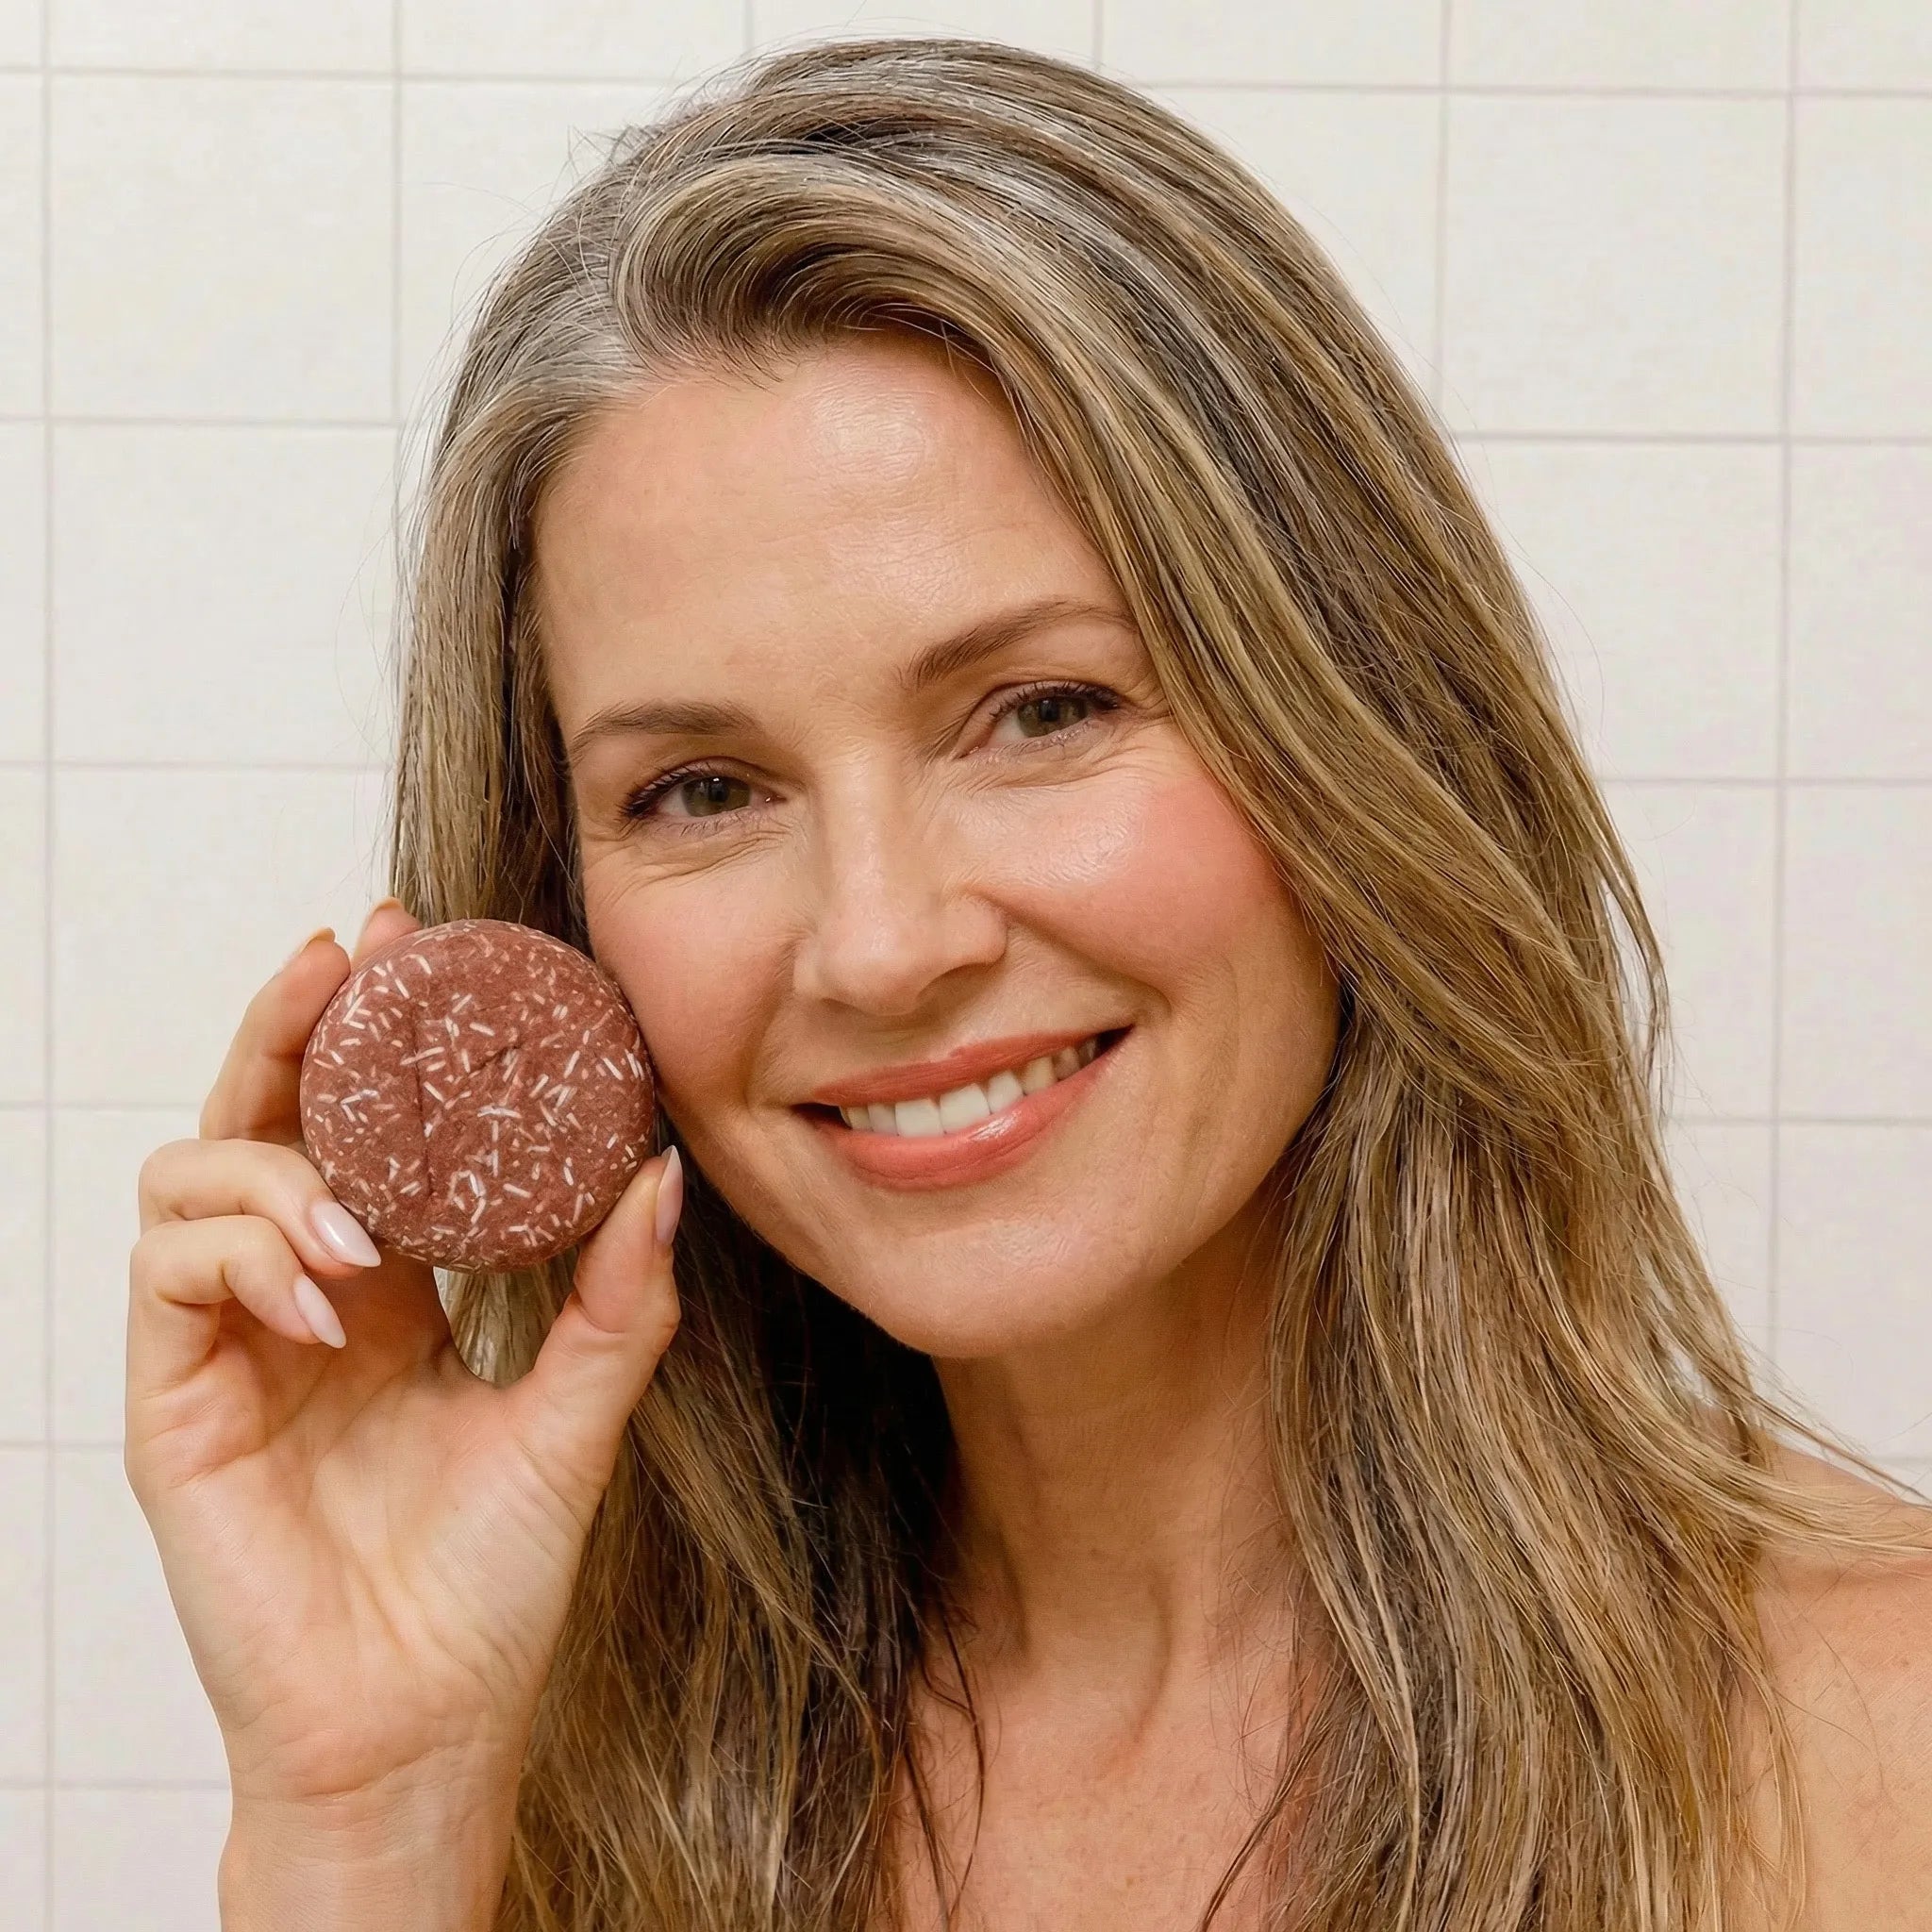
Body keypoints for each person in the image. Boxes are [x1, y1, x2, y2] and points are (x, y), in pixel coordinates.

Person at [125, 35, 1932, 1932]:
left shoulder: (1877, 1742)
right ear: (561, 931)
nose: (888, 942)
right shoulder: (548, 1798)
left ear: (1361, 733)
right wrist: (366, 1825)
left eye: (1045, 710)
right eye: (705, 789)